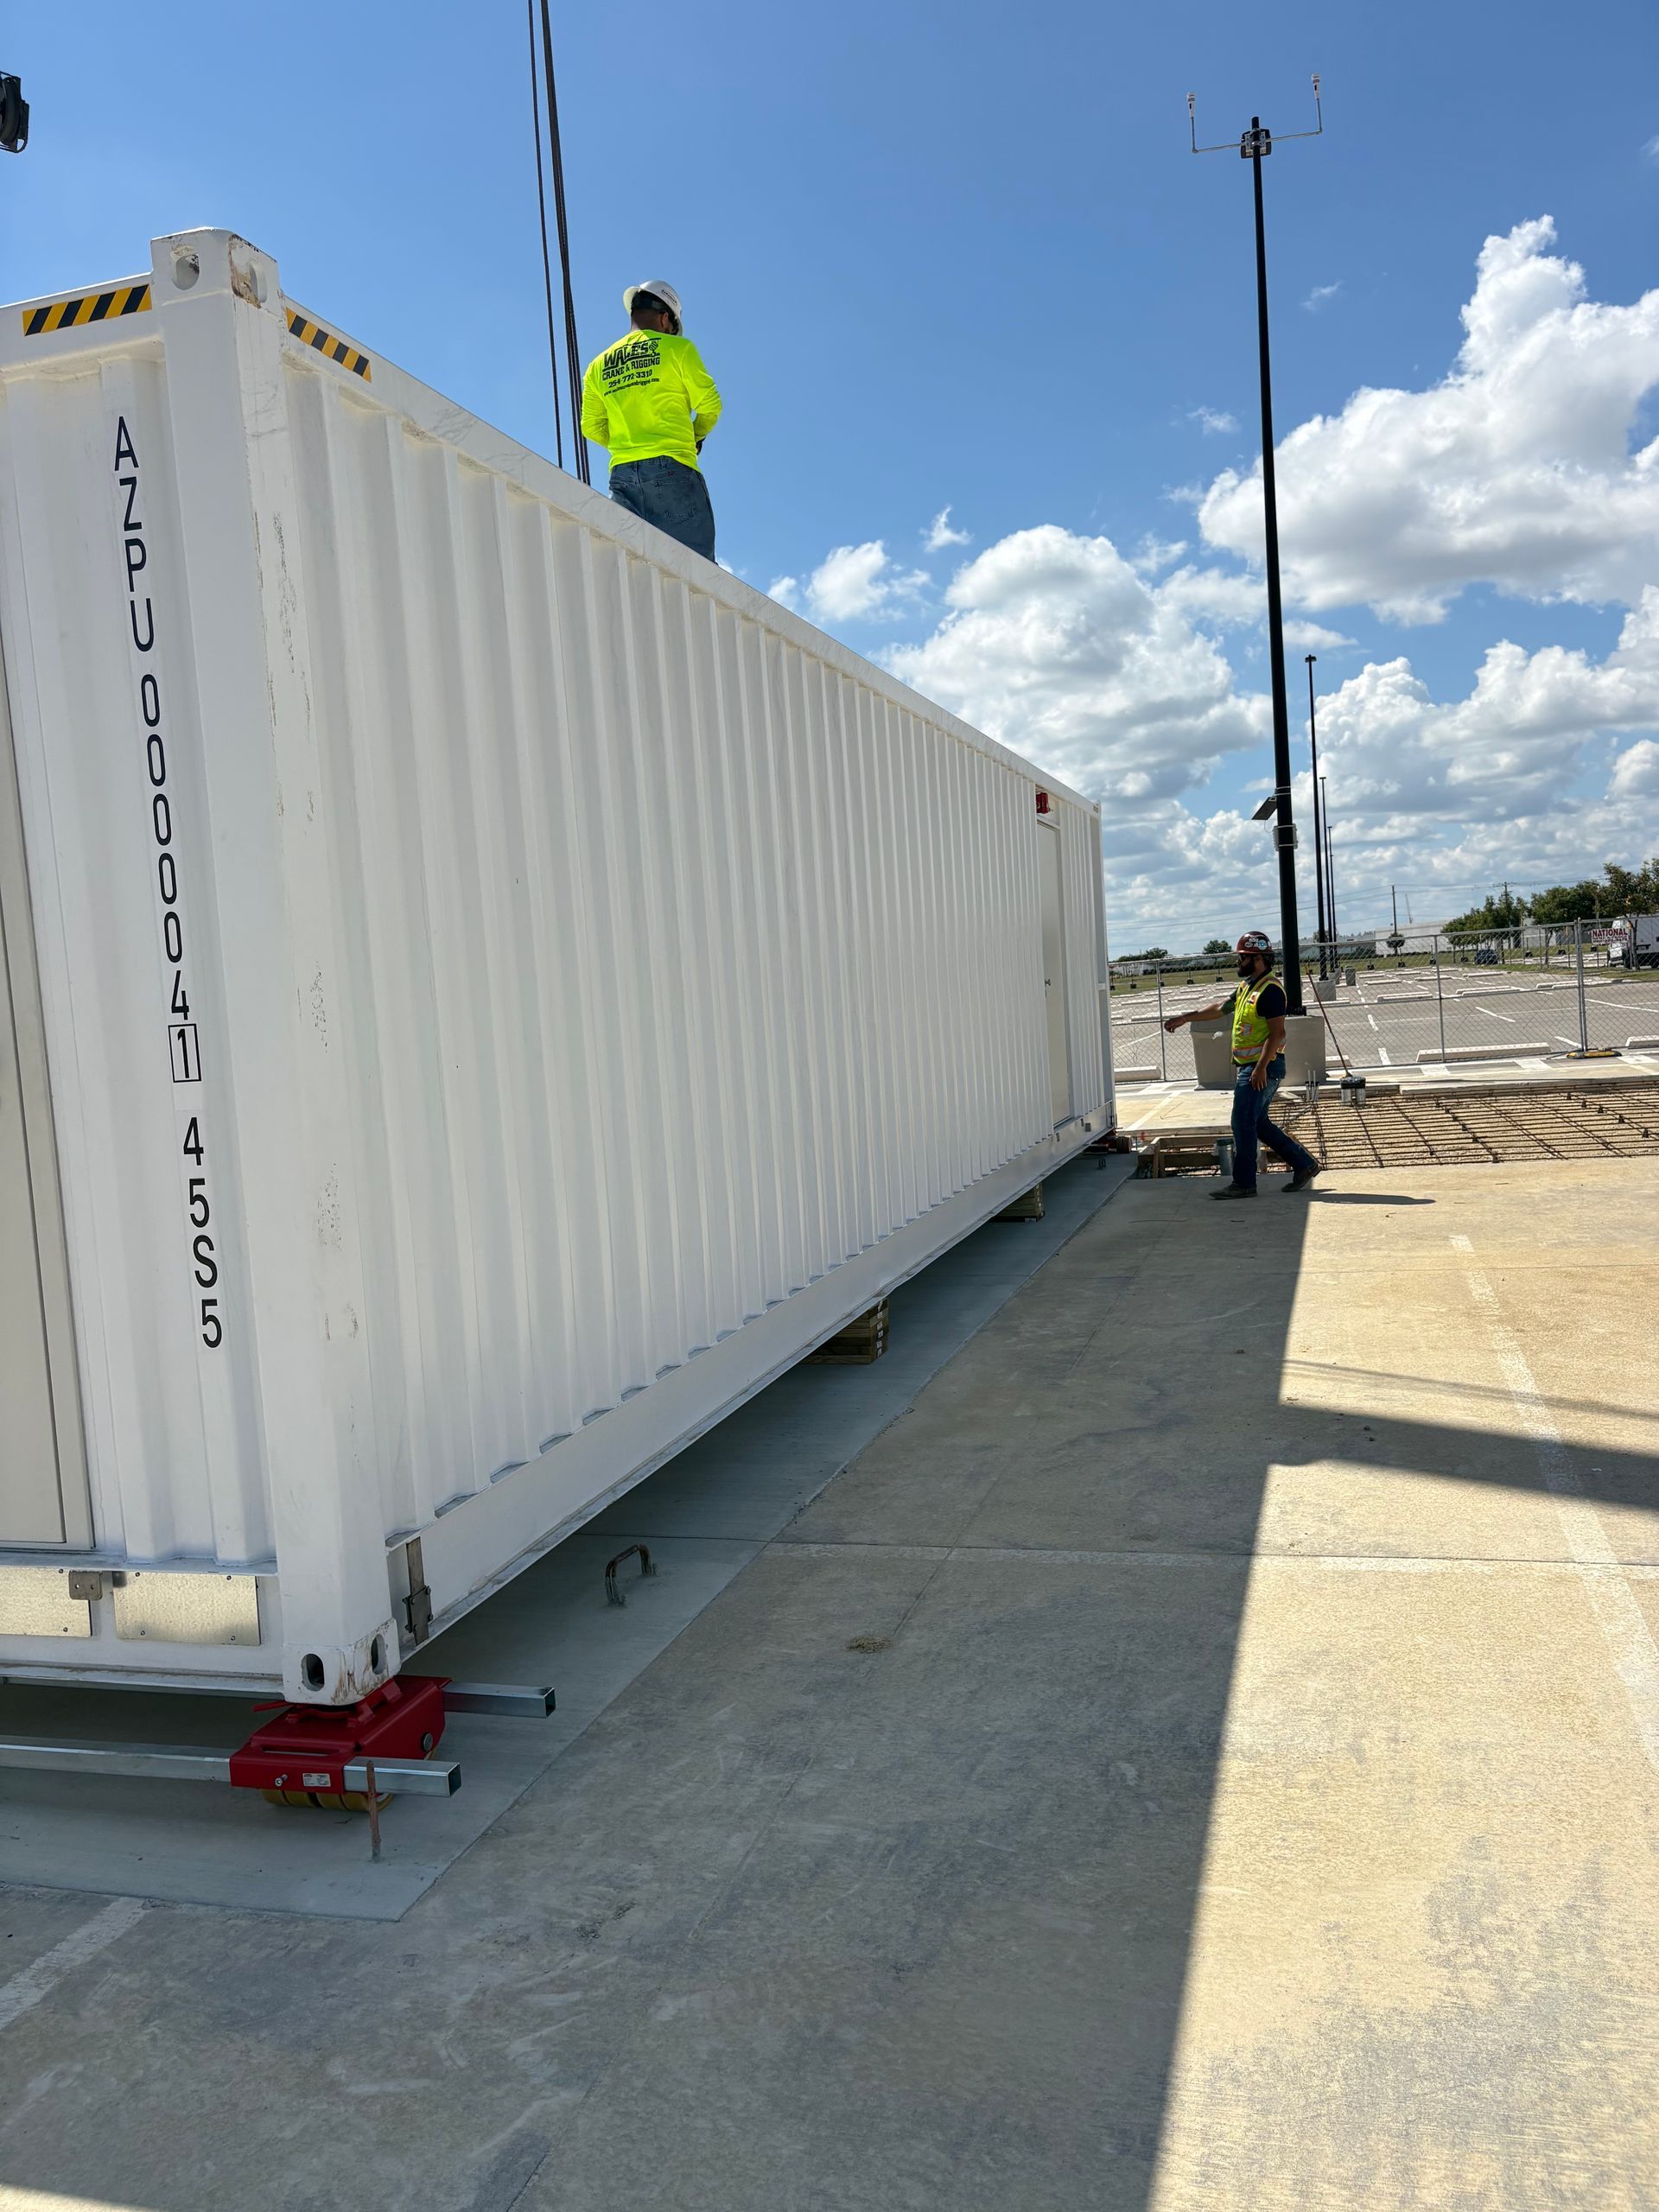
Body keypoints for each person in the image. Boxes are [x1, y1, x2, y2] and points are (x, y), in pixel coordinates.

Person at [1164, 931, 1321, 1198]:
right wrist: (1185, 1018)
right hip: (1256, 1067)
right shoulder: (1249, 985)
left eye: (1243, 958)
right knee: (1258, 1124)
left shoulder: (1270, 989)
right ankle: (1304, 1164)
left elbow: (1278, 1034)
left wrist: (1260, 1068)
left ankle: (1244, 1183)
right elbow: (1221, 1007)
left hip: (1261, 1068)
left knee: (1241, 1123)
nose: (1239, 962)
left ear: (1259, 958)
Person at [580, 281, 721, 562]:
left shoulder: (597, 366)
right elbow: (710, 405)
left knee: (633, 565)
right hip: (673, 469)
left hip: (622, 475)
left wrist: (628, 443)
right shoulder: (679, 349)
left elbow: (591, 426)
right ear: (665, 317)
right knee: (695, 569)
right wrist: (695, 435)